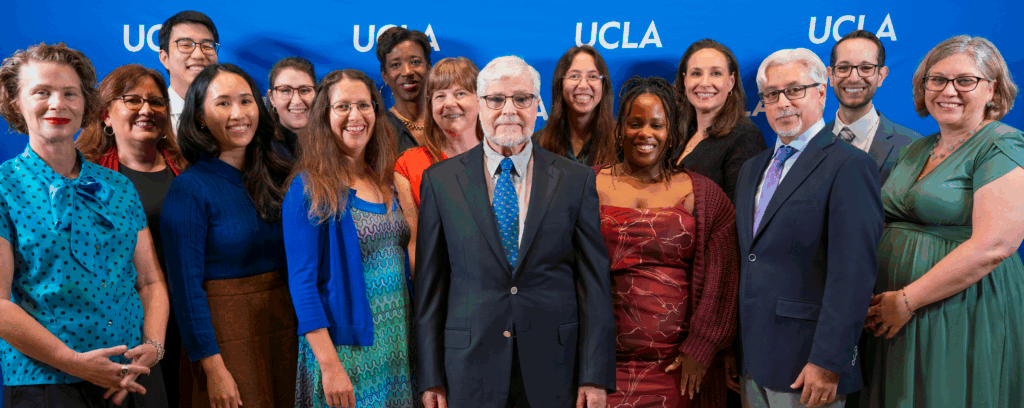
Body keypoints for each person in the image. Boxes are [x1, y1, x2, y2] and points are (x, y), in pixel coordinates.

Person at [414, 55, 615, 408]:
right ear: (479, 104)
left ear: (538, 105)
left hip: (555, 367)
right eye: (496, 99)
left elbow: (593, 285)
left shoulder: (575, 180)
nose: (509, 110)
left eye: (522, 99)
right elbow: (431, 288)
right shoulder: (441, 181)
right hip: (468, 366)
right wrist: (430, 377)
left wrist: (594, 374)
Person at [0, 42, 169, 408]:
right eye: (41, 92)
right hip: (45, 383)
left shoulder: (119, 186)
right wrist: (73, 362)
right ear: (16, 102)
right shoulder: (3, 187)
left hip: (134, 380)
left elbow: (150, 281)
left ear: (85, 104)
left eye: (69, 93)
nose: (57, 104)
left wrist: (153, 349)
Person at [861, 35, 1024, 408]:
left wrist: (906, 300)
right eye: (937, 80)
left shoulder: (1002, 145)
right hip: (893, 315)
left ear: (992, 88)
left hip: (961, 309)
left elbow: (994, 245)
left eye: (965, 80)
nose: (948, 91)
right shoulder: (917, 147)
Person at [733, 48, 882, 408]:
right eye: (772, 94)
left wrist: (829, 362)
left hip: (809, 366)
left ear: (821, 92)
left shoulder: (849, 166)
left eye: (795, 90)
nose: (783, 102)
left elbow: (854, 275)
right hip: (753, 362)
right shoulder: (752, 168)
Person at [596, 76, 739, 408]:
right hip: (600, 370)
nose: (646, 132)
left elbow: (723, 281)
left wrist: (701, 348)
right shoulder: (584, 187)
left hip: (679, 369)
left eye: (657, 125)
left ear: (672, 133)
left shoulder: (704, 196)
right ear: (620, 130)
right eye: (635, 123)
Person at [160, 63, 296, 408]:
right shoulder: (189, 189)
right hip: (226, 338)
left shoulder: (281, 174)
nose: (238, 114)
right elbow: (186, 291)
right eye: (223, 103)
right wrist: (211, 366)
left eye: (246, 101)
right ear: (200, 117)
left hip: (288, 328)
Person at [284, 68, 415, 408]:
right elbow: (302, 285)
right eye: (342, 107)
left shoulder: (386, 181)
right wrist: (330, 367)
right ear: (324, 117)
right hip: (346, 351)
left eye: (364, 105)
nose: (355, 116)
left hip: (397, 341)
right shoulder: (309, 187)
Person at [76, 63, 188, 408]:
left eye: (156, 102)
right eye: (132, 100)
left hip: (185, 322)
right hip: (118, 328)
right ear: (106, 114)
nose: (146, 110)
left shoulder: (187, 169)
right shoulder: (81, 175)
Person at [394, 57, 482, 269]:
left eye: (460, 93)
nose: (450, 103)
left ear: (481, 99)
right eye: (440, 96)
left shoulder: (504, 159)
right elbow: (414, 248)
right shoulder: (409, 165)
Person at [671, 39, 767, 202]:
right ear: (684, 80)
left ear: (731, 81)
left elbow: (739, 214)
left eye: (716, 73)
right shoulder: (677, 131)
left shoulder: (746, 137)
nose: (705, 83)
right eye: (696, 73)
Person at [826, 30, 920, 184]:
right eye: (843, 68)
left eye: (866, 68)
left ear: (881, 75)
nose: (854, 78)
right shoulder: (810, 144)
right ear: (830, 75)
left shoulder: (912, 147)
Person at [534, 45, 617, 166]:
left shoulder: (621, 143)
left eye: (593, 76)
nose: (583, 85)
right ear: (560, 84)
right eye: (574, 76)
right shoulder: (538, 143)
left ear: (604, 85)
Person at [158, 10, 219, 133]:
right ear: (164, 58)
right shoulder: (153, 115)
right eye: (186, 45)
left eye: (207, 46)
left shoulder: (233, 114)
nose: (198, 55)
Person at [376, 26, 431, 154]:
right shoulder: (378, 129)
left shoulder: (446, 120)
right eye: (396, 65)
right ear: (385, 76)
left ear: (429, 68)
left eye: (415, 62)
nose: (407, 72)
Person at [266, 56, 316, 160]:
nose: (296, 101)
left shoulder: (336, 145)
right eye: (285, 91)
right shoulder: (257, 150)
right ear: (271, 98)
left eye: (305, 90)